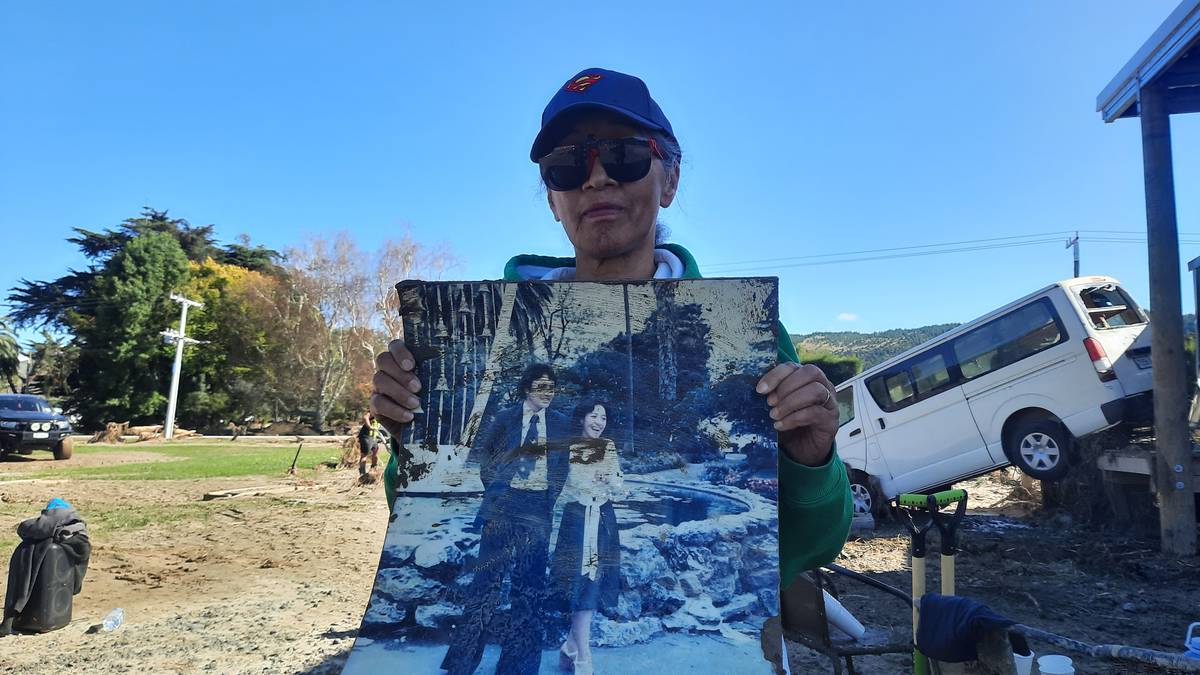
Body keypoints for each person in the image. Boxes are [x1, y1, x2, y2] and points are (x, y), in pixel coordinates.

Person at [372, 65, 852, 653]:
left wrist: (811, 463)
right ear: (552, 198)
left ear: (669, 179)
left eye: (624, 156)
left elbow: (812, 544)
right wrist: (407, 440)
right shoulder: (470, 337)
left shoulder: (750, 336)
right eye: (567, 165)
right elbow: (418, 502)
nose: (595, 179)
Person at [440, 364, 572, 675]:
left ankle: (519, 667)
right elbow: (486, 461)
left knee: (530, 586)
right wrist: (500, 495)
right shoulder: (505, 418)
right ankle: (462, 664)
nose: (548, 393)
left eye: (552, 387)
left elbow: (561, 468)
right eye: (541, 386)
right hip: (503, 506)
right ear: (527, 389)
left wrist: (545, 500)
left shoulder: (560, 423)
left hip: (538, 508)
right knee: (486, 583)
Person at [549, 400, 623, 675]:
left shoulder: (609, 447)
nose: (599, 422)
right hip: (577, 521)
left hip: (603, 519)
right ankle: (583, 656)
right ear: (582, 418)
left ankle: (572, 646)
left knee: (593, 583)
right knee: (580, 584)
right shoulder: (567, 447)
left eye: (603, 417)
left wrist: (609, 481)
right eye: (594, 415)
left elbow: (618, 485)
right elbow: (571, 484)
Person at [356, 411, 380, 476]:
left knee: (375, 453)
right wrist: (369, 426)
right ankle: (362, 472)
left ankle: (373, 469)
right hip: (366, 437)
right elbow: (365, 417)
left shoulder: (381, 415)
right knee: (364, 455)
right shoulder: (373, 412)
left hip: (373, 437)